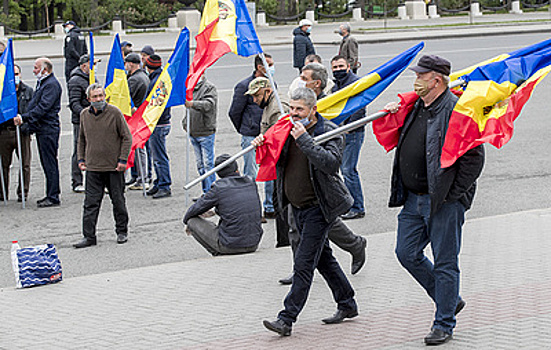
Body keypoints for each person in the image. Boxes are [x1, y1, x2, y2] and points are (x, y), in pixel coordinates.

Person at [384, 55, 485, 345]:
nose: (416, 79)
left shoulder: (457, 110)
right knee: (406, 252)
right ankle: (449, 299)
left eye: (421, 75)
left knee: (445, 262)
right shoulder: (416, 106)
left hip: (442, 201)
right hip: (413, 201)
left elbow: (474, 159)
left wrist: (451, 195)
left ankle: (444, 323)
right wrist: (395, 112)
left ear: (436, 80)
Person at [254, 88, 359, 336]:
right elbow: (276, 158)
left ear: (313, 109)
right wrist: (263, 142)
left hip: (319, 208)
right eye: (291, 108)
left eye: (299, 109)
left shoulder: (327, 132)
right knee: (324, 259)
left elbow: (330, 164)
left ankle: (286, 319)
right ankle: (347, 303)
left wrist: (304, 139)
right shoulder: (286, 128)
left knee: (303, 263)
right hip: (296, 207)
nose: (294, 113)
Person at [278, 62, 367, 285]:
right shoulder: (297, 107)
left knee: (326, 224)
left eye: (304, 78)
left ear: (316, 84)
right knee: (298, 230)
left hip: (317, 187)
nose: (300, 81)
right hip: (297, 187)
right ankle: (302, 268)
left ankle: (353, 245)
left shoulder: (327, 108)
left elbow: (330, 160)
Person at [74, 84, 132, 248]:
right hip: (93, 168)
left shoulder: (114, 113)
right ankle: (89, 237)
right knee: (90, 203)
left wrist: (122, 160)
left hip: (114, 167)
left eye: (101, 96)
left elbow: (126, 137)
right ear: (89, 99)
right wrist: (81, 159)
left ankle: (121, 231)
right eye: (95, 97)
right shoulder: (84, 115)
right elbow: (82, 139)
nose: (99, 99)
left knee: (118, 201)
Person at [183, 154, 263, 256]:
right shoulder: (250, 182)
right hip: (254, 243)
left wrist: (188, 222)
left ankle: (218, 253)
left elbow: (192, 212)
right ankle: (222, 251)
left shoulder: (219, 188)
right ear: (237, 169)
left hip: (231, 245)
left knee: (191, 221)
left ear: (218, 174)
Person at [245, 76, 290, 240]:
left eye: (257, 95)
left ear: (268, 91)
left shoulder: (277, 108)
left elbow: (279, 139)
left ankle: (284, 241)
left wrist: (263, 141)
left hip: (283, 163)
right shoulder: (269, 103)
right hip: (277, 162)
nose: (254, 100)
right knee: (278, 202)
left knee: (282, 204)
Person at [14, 57, 62, 208]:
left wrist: (24, 118)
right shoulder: (44, 83)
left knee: (49, 163)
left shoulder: (51, 85)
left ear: (44, 69)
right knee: (46, 163)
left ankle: (53, 196)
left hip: (48, 129)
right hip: (42, 129)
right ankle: (51, 193)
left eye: (36, 68)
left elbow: (43, 108)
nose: (34, 70)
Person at [228, 53, 274, 179]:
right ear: (260, 67)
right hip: (250, 136)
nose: (272, 68)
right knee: (250, 173)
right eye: (269, 65)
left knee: (270, 173)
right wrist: (245, 128)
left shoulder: (271, 84)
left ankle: (270, 199)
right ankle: (250, 197)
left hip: (267, 136)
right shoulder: (244, 86)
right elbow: (234, 112)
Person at [331, 55, 365, 220]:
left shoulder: (355, 83)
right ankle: (349, 204)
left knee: (348, 170)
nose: (338, 70)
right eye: (335, 67)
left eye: (340, 66)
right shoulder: (336, 85)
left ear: (349, 66)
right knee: (344, 170)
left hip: (352, 132)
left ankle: (357, 207)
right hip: (341, 132)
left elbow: (359, 107)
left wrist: (349, 128)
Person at [0, 64, 33, 202]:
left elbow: (32, 110)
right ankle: (2, 193)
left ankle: (23, 193)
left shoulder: (28, 91)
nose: (15, 77)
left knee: (25, 164)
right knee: (3, 165)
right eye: (12, 74)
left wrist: (25, 122)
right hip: (5, 133)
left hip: (22, 132)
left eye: (16, 74)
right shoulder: (2, 92)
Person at [143, 54, 172, 199]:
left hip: (158, 123)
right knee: (156, 155)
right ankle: (159, 181)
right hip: (160, 122)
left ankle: (164, 185)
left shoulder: (156, 81)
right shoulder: (160, 78)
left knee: (159, 156)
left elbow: (155, 104)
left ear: (148, 67)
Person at [183, 76, 218, 194]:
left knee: (208, 165)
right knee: (200, 165)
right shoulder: (190, 88)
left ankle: (212, 193)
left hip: (205, 132)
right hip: (193, 132)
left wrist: (193, 104)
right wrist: (185, 123)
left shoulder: (209, 87)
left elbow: (208, 105)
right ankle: (205, 192)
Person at [68, 54, 96, 193]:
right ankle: (77, 180)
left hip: (94, 119)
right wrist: (86, 115)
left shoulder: (91, 79)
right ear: (84, 66)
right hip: (81, 121)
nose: (94, 68)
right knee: (79, 150)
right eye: (92, 65)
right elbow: (74, 103)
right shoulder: (75, 80)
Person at [124, 53, 150, 190]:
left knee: (136, 148)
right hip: (141, 116)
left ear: (131, 64)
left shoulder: (134, 80)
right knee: (140, 148)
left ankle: (142, 179)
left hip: (134, 117)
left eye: (126, 63)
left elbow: (126, 98)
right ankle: (142, 178)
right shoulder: (144, 75)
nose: (125, 65)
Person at [62, 21, 87, 85]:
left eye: (67, 26)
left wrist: (78, 58)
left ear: (71, 26)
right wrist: (83, 59)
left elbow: (71, 50)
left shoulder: (70, 36)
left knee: (71, 81)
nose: (65, 28)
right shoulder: (81, 35)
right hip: (81, 63)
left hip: (71, 62)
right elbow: (85, 49)